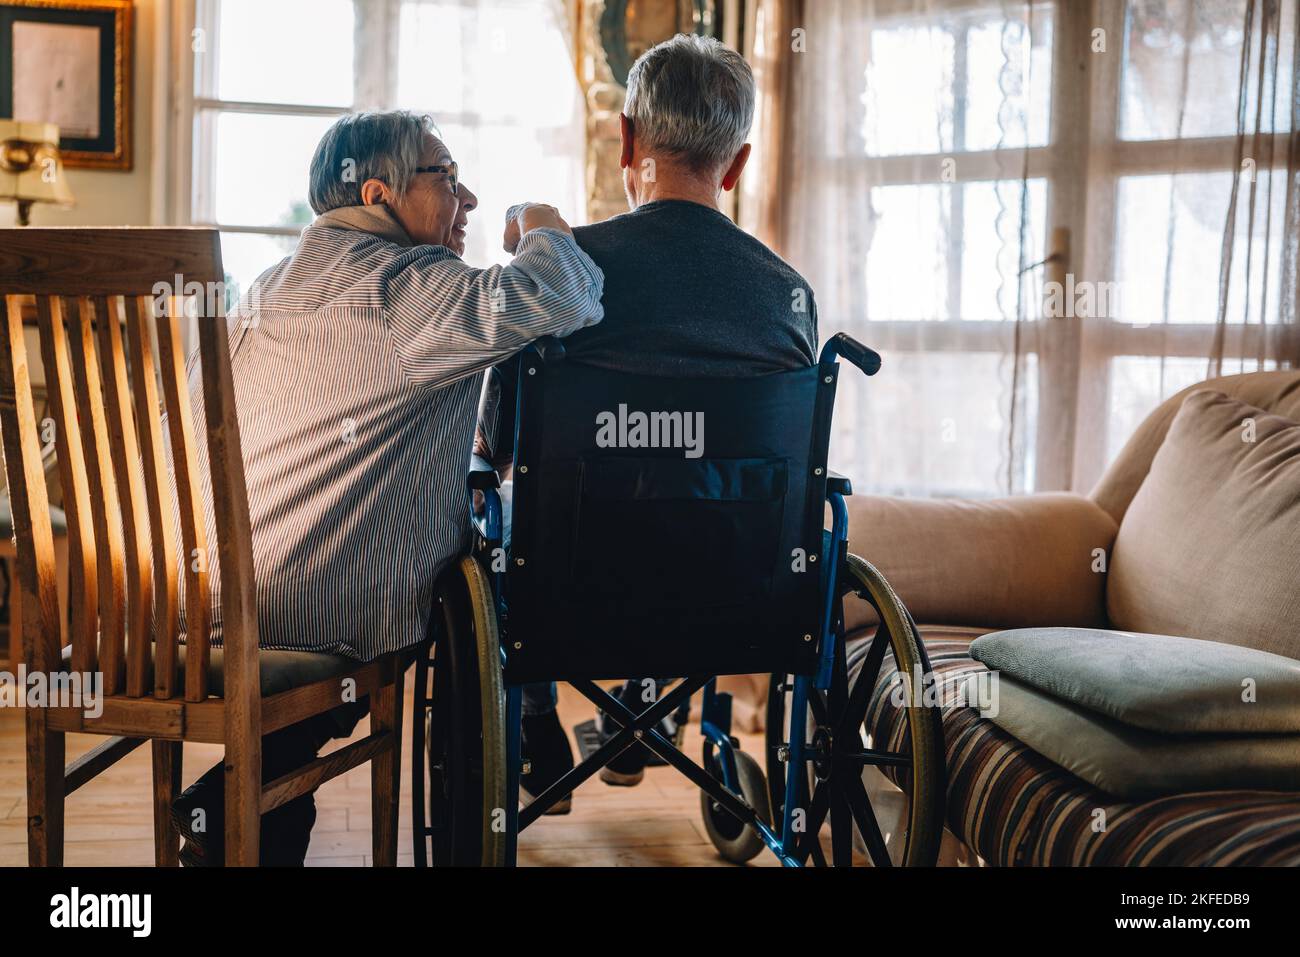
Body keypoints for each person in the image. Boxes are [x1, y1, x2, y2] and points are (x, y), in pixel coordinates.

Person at [171, 109, 604, 865]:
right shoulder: (409, 287)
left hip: (195, 592)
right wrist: (540, 218)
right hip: (310, 611)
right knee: (445, 580)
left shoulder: (263, 288)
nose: (467, 201)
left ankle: (244, 814)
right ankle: (236, 805)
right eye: (448, 179)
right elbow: (565, 296)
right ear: (378, 192)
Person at [479, 35, 818, 806]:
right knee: (694, 489)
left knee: (508, 509)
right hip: (737, 590)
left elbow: (497, 450)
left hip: (571, 585)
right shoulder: (788, 297)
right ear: (736, 165)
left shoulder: (560, 274)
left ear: (627, 138)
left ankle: (534, 724)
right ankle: (643, 704)